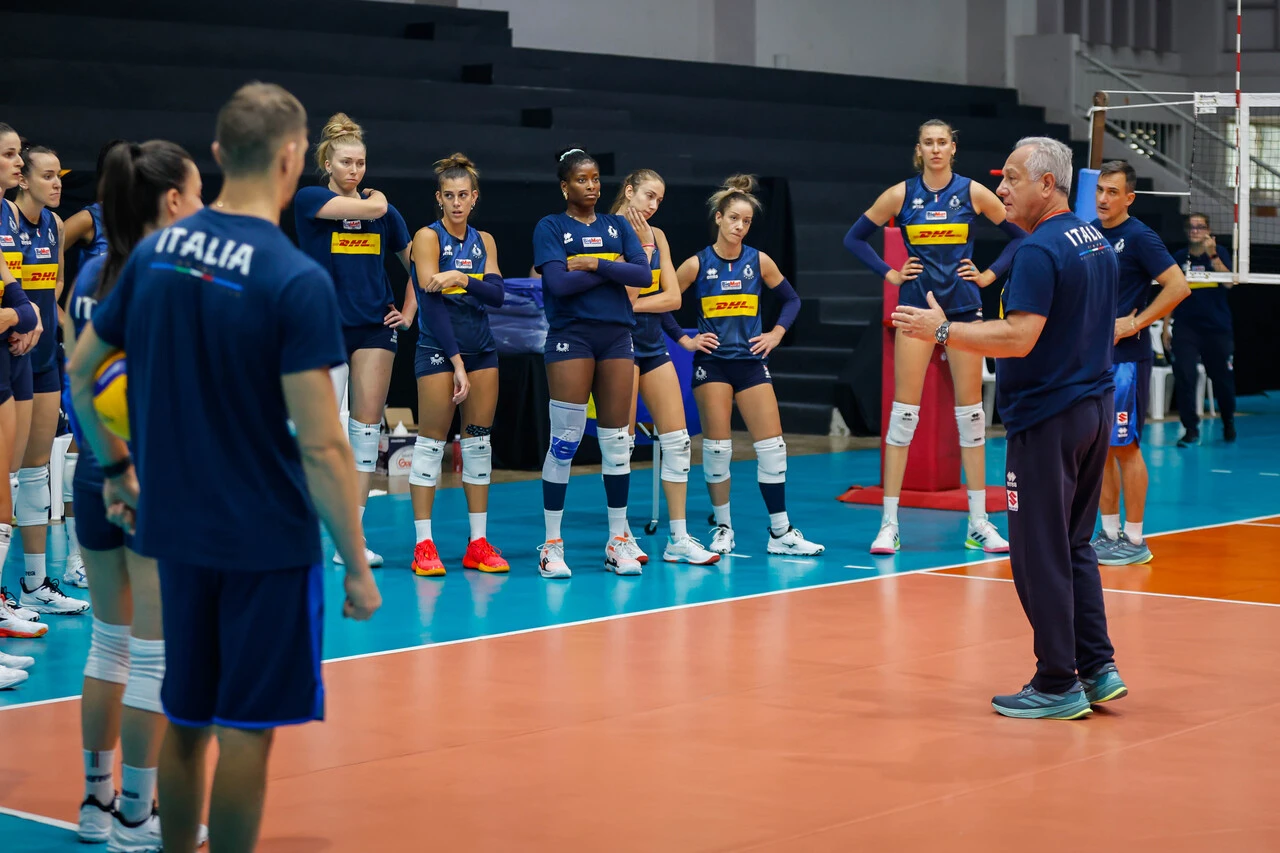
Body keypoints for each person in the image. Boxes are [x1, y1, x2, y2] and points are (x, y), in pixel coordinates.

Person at [68, 82, 382, 853]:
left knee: (186, 717)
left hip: (177, 531)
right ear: (292, 158)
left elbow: (81, 371)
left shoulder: (157, 253)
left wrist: (116, 469)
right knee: (246, 732)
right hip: (265, 541)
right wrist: (354, 563)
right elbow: (323, 444)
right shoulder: (293, 278)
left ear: (216, 153)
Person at [892, 136, 1126, 720]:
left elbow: (1019, 337)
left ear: (1047, 184)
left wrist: (941, 330)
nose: (1001, 188)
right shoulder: (1094, 239)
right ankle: (1096, 668)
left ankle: (1057, 682)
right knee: (1074, 545)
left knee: (1038, 552)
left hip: (1049, 419)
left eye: (1013, 178)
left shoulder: (1039, 250)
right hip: (1092, 409)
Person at [66, 140, 207, 848]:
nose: (204, 206)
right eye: (198, 193)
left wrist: (110, 461)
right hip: (153, 478)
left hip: (96, 467)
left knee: (107, 644)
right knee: (155, 656)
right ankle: (136, 815)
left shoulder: (90, 271)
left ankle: (96, 803)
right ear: (172, 201)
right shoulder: (176, 275)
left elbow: (80, 375)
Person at [844, 119, 1021, 556]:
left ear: (953, 148)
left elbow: (1021, 236)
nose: (936, 149)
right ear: (919, 149)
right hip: (916, 310)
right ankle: (889, 525)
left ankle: (978, 524)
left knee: (972, 416)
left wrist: (989, 275)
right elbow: (855, 238)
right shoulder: (900, 195)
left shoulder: (974, 192)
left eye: (943, 142)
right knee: (903, 416)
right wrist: (890, 273)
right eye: (929, 142)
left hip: (964, 311)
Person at [668, 174, 823, 557]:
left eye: (747, 221)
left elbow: (792, 300)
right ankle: (723, 527)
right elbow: (662, 303)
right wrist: (686, 340)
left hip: (751, 364)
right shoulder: (697, 264)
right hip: (712, 366)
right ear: (719, 218)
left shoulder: (759, 260)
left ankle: (780, 532)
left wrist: (776, 334)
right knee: (718, 450)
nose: (740, 226)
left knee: (773, 448)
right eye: (734, 218)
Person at [293, 112, 413, 569]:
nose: (354, 170)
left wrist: (409, 311)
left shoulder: (385, 211)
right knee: (320, 436)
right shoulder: (311, 199)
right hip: (321, 329)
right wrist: (377, 201)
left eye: (361, 163)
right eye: (346, 162)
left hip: (373, 329)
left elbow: (417, 265)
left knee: (365, 436)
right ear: (328, 163)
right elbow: (371, 209)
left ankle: (351, 537)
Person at [532, 147, 651, 579]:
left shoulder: (617, 225)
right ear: (565, 186)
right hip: (572, 336)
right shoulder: (550, 226)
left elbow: (643, 275)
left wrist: (595, 263)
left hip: (616, 336)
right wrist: (613, 268)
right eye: (582, 179)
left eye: (596, 178)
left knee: (618, 442)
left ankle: (618, 540)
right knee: (565, 441)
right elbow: (558, 283)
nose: (591, 186)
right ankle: (551, 545)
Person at [407, 153, 509, 577]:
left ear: (474, 197)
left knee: (478, 445)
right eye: (449, 196)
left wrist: (462, 279)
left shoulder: (485, 241)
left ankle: (477, 543)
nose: (456, 203)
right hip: (439, 349)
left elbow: (498, 295)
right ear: (439, 198)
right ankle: (423, 545)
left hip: (482, 350)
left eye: (463, 195)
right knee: (431, 445)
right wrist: (456, 363)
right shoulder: (427, 238)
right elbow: (430, 306)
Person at [611, 169, 718, 565]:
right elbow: (623, 293)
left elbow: (673, 298)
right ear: (629, 191)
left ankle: (679, 538)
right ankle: (620, 535)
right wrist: (630, 297)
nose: (654, 205)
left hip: (653, 346)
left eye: (659, 199)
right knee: (620, 445)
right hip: (617, 346)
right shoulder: (607, 232)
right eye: (648, 196)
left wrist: (633, 307)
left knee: (678, 440)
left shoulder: (659, 236)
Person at [1089, 161, 1189, 567]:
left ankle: (1134, 538)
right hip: (1093, 359)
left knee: (1125, 447)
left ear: (1129, 197)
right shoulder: (1089, 234)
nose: (1103, 198)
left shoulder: (1139, 236)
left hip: (1126, 361)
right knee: (1098, 449)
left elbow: (1178, 286)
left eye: (1112, 192)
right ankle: (1109, 532)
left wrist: (1135, 322)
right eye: (1100, 190)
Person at [12, 143, 88, 615]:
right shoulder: (5, 220)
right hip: (12, 355)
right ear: (23, 180)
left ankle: (35, 583)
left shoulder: (55, 225)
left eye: (59, 176)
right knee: (9, 476)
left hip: (43, 359)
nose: (57, 183)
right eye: (46, 175)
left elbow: (55, 283)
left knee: (36, 472)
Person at [0, 122, 45, 680]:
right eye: (9, 154)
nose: (19, 162)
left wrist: (22, 312)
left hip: (9, 360)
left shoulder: (7, 217)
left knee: (4, 497)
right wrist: (18, 313)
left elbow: (18, 291)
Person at [1169, 212, 1236, 447]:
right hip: (1186, 327)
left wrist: (1212, 254)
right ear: (1186, 231)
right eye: (1191, 226)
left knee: (1222, 379)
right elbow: (1171, 292)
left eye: (1200, 226)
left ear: (1208, 230)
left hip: (1217, 328)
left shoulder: (1219, 253)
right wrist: (1166, 325)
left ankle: (1228, 421)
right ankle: (1190, 429)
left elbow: (1229, 282)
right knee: (1185, 375)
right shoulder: (1179, 257)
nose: (1195, 230)